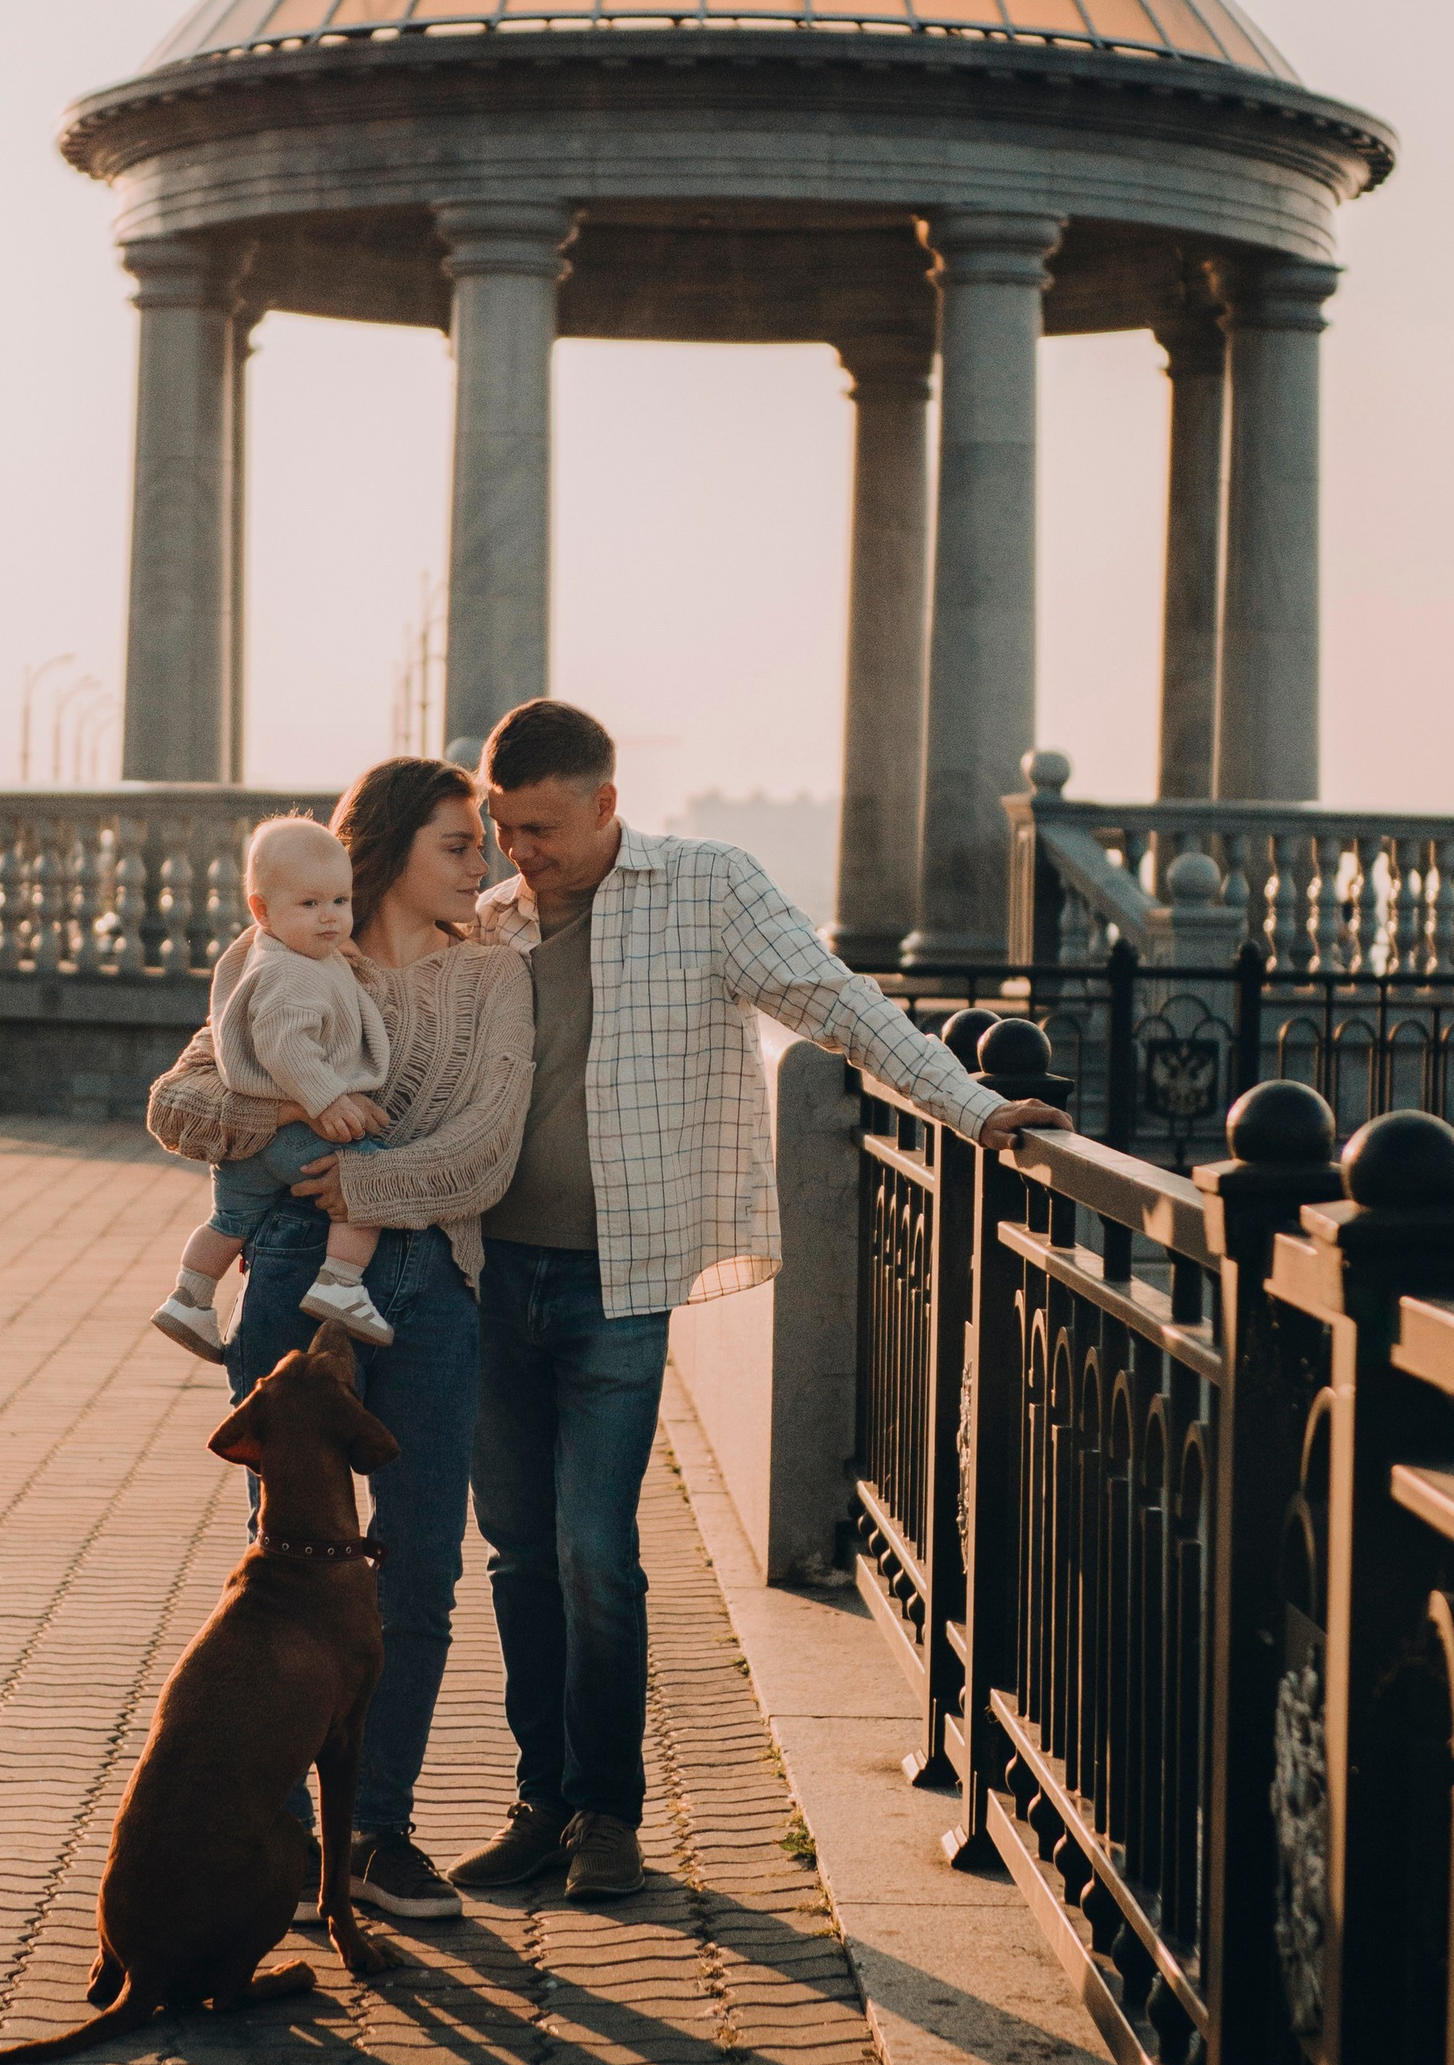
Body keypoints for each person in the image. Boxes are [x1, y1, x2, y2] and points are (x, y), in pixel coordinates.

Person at [447, 697, 1072, 1906]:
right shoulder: (489, 921)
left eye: (541, 828)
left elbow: (838, 1004)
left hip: (615, 1282)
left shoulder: (706, 887)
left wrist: (976, 1109)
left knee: (592, 1552)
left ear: (606, 803)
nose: (520, 851)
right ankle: (541, 1800)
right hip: (486, 1274)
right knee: (516, 1553)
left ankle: (609, 1816)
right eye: (503, 827)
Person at [147, 759, 534, 1924]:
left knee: (420, 1566)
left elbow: (486, 1151)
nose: (486, 866)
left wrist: (359, 1171)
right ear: (387, 852)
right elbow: (177, 1105)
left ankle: (378, 1833)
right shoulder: (283, 954)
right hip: (293, 1284)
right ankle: (284, 1829)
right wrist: (290, 1105)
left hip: (432, 1287)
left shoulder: (491, 981)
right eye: (460, 846)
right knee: (289, 1569)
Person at [154, 816, 397, 1358]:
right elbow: (287, 1045)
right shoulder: (293, 973)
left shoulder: (273, 952)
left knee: (229, 1221)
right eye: (309, 905)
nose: (330, 917)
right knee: (367, 1184)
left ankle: (189, 1298)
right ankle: (340, 1284)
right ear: (262, 910)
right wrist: (327, 1099)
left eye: (340, 900)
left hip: (247, 1149)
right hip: (293, 1136)